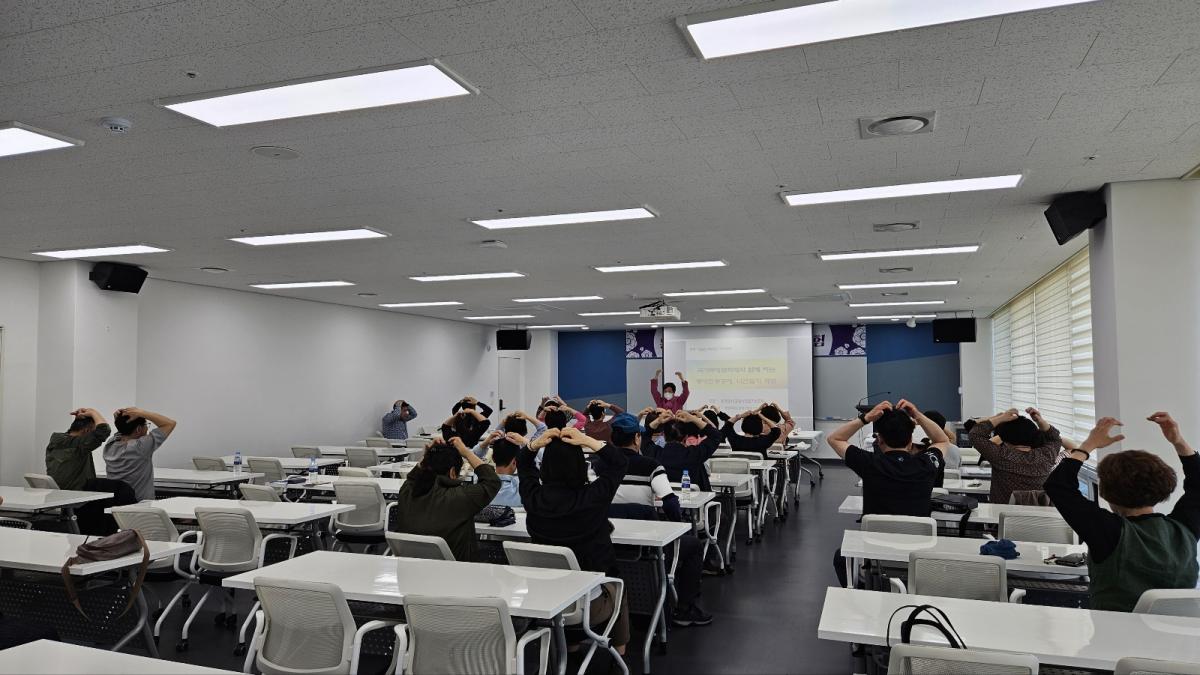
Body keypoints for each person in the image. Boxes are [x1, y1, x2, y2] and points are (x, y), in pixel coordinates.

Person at [1044, 414, 1200, 612]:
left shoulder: (1109, 533)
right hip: (1179, 631)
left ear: (1105, 493)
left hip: (1113, 631)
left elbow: (1058, 486)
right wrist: (1178, 442)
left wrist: (1088, 445)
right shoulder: (1185, 529)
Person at [521, 428, 631, 657]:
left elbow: (523, 465)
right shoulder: (593, 497)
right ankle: (619, 656)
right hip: (589, 607)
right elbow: (620, 462)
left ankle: (569, 648)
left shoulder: (534, 499)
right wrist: (588, 440)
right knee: (618, 585)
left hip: (545, 600)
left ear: (545, 467)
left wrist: (534, 445)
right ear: (581, 465)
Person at [828, 400, 948, 586]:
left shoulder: (870, 464)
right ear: (910, 440)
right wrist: (917, 414)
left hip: (875, 552)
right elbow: (942, 440)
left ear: (880, 439)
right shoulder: (926, 464)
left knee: (840, 557)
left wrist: (866, 418)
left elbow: (834, 439)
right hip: (917, 553)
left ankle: (862, 591)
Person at [608, 413, 712, 627]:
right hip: (646, 543)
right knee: (693, 545)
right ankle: (685, 609)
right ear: (636, 438)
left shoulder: (601, 466)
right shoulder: (650, 466)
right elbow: (671, 503)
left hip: (609, 539)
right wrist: (676, 526)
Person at [391, 437, 501, 562]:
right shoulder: (460, 497)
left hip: (410, 569)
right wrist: (466, 452)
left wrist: (429, 456)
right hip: (455, 571)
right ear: (452, 472)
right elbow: (492, 481)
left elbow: (412, 477)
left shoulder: (407, 491)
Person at [969, 407, 1063, 503]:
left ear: (1004, 439)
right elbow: (1056, 438)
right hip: (1038, 512)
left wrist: (1001, 418)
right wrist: (1040, 421)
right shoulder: (1047, 455)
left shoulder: (1000, 455)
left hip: (1002, 511)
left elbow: (975, 434)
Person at [102, 407, 177, 502]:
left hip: (116, 505)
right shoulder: (140, 447)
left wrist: (120, 420)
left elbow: (123, 432)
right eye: (146, 425)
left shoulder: (110, 444)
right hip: (140, 505)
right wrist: (143, 413)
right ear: (138, 429)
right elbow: (169, 424)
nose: (147, 428)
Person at [45, 408, 110, 491]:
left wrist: (79, 420)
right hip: (79, 495)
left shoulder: (56, 441)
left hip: (59, 494)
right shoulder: (79, 445)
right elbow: (103, 430)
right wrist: (93, 412)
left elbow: (72, 436)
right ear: (87, 430)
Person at [656, 410, 722, 492]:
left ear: (664, 436)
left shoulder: (655, 454)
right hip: (694, 499)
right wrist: (693, 419)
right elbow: (716, 435)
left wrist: (658, 421)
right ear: (686, 437)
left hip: (665, 500)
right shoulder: (694, 454)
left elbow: (645, 437)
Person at [487, 434, 524, 508]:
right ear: (515, 462)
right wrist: (527, 443)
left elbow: (469, 456)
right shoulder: (524, 489)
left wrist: (484, 444)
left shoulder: (481, 487)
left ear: (493, 458)